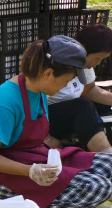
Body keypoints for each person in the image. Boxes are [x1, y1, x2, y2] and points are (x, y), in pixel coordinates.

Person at [0, 35, 112, 208]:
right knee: (98, 187)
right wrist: (30, 171)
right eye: (66, 81)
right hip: (0, 173)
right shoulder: (5, 102)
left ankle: (54, 199)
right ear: (48, 73)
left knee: (108, 164)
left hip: (31, 156)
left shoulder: (37, 90)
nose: (66, 85)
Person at [47, 24, 112, 152]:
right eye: (97, 58)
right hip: (45, 115)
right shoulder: (59, 66)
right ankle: (106, 155)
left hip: (69, 109)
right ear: (85, 51)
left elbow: (88, 90)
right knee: (83, 107)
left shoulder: (85, 67)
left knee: (102, 106)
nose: (98, 63)